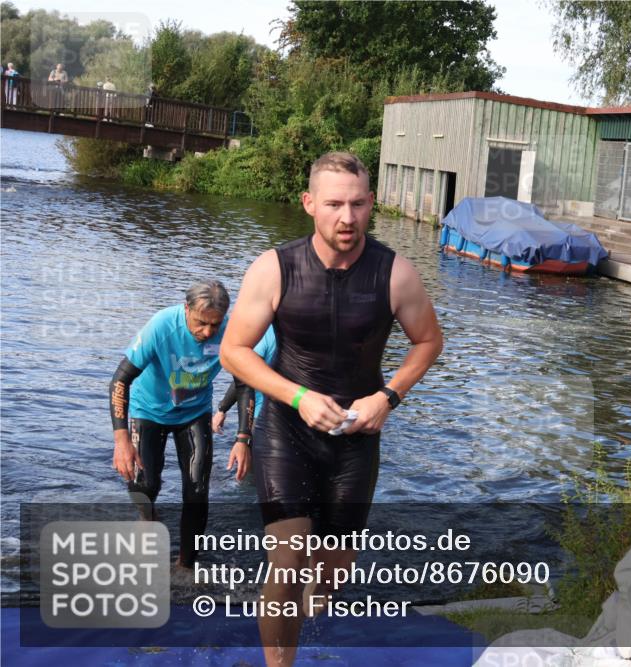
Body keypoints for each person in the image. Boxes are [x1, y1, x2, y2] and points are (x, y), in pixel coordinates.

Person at [220, 152, 443, 665]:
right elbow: (235, 349)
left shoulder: (396, 273)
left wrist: (388, 396)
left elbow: (429, 341)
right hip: (287, 428)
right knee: (288, 561)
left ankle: (313, 598)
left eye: (359, 204)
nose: (348, 218)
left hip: (357, 432)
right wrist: (297, 396)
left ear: (372, 204)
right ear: (309, 204)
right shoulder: (275, 267)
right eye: (335, 204)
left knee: (334, 570)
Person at [111, 280, 253, 572]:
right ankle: (148, 518)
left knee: (197, 490)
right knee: (147, 484)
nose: (207, 333)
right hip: (148, 411)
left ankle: (186, 565)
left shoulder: (230, 332)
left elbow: (244, 385)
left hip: (194, 413)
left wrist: (243, 438)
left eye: (214, 325)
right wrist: (121, 439)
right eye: (201, 323)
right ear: (186, 309)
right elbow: (119, 380)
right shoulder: (162, 327)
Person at [213, 324, 277, 432]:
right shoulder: (303, 334)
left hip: (262, 415)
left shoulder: (265, 333)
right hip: (297, 412)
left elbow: (244, 375)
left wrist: (222, 409)